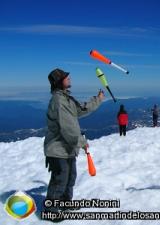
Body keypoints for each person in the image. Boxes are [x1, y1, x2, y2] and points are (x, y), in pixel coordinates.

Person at [44, 68, 104, 213]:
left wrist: (98, 99)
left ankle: (65, 203)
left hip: (67, 148)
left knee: (70, 177)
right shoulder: (59, 101)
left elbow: (81, 109)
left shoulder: (66, 98)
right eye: (66, 77)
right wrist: (81, 142)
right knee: (60, 179)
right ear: (59, 82)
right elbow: (68, 127)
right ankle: (50, 210)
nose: (69, 78)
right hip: (58, 148)